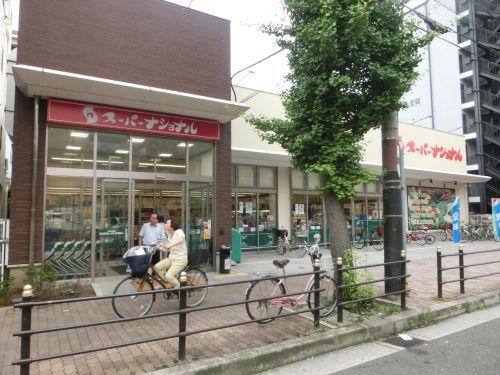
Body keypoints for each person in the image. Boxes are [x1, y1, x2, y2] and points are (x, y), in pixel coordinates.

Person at [153, 218, 188, 289]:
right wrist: (160, 248)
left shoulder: (179, 231)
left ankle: (178, 287)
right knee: (157, 267)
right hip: (171, 258)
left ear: (172, 225)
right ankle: (167, 282)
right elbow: (168, 250)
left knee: (168, 275)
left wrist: (170, 245)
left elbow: (181, 239)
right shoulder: (169, 235)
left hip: (180, 260)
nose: (165, 224)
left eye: (167, 223)